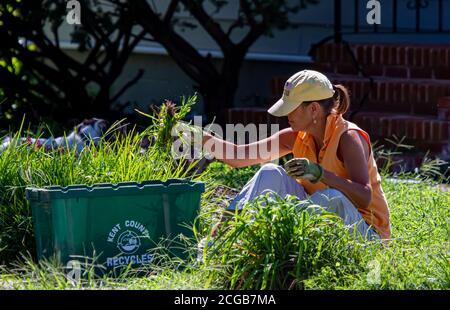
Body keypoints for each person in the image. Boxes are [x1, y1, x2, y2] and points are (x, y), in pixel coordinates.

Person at [201, 70, 391, 240]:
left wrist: (320, 174)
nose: (286, 115)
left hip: (367, 236)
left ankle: (283, 240)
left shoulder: (348, 138)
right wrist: (201, 138)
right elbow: (238, 156)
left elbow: (364, 197)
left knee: (333, 197)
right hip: (323, 228)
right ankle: (222, 235)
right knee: (270, 171)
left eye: (292, 108)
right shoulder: (296, 137)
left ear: (314, 109)